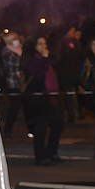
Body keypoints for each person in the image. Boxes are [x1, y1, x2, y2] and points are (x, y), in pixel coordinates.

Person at [25, 36, 64, 166]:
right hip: (39, 97)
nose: (44, 46)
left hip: (51, 96)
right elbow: (38, 74)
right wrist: (45, 59)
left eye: (45, 43)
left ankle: (52, 152)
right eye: (40, 44)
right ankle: (40, 156)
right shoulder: (33, 60)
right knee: (40, 128)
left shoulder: (49, 59)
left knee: (57, 124)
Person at [55, 26, 85, 122]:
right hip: (68, 73)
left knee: (70, 95)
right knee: (68, 95)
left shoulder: (69, 42)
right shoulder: (66, 42)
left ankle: (73, 114)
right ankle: (72, 114)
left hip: (70, 73)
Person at [0, 32, 26, 137]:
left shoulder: (17, 51)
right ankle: (7, 130)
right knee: (14, 107)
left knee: (17, 107)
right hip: (14, 83)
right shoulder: (9, 52)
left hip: (17, 82)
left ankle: (9, 129)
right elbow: (14, 69)